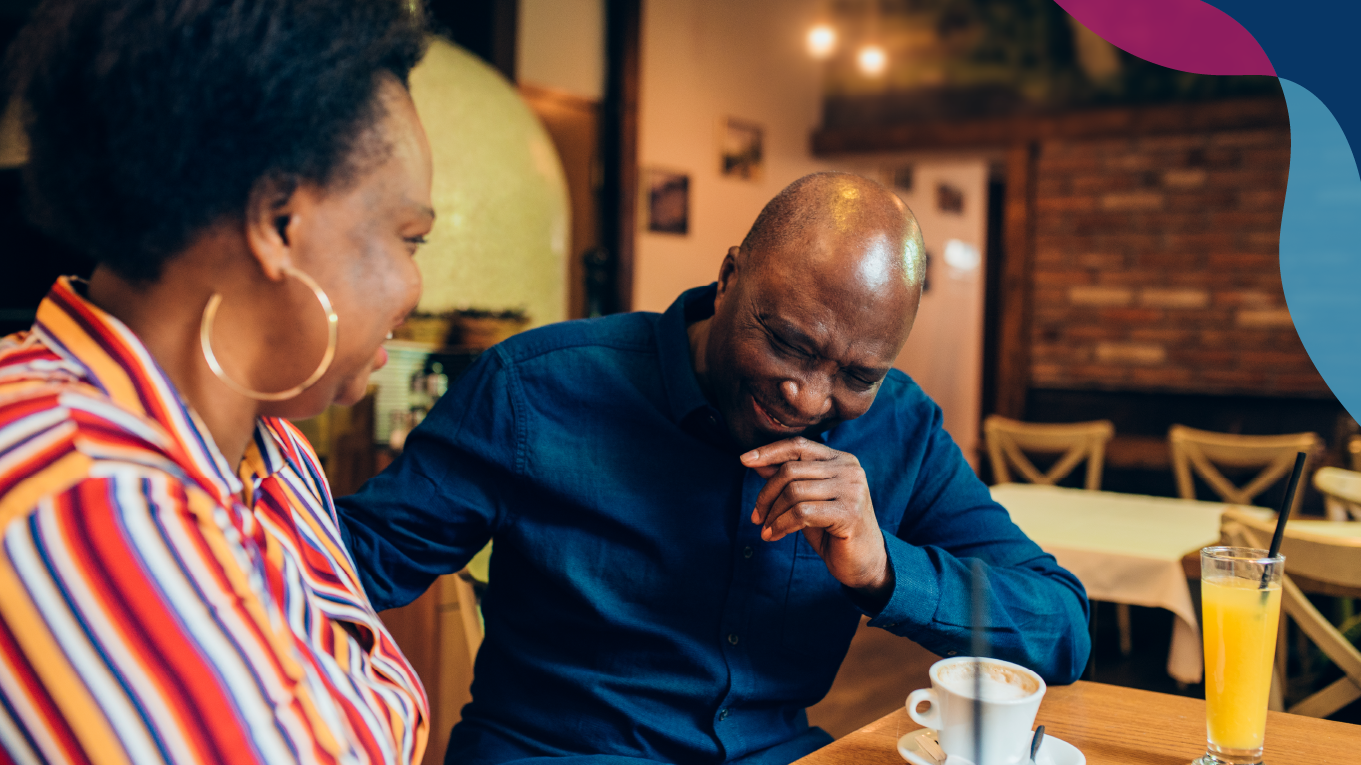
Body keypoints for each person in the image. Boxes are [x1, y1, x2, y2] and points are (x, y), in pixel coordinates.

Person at [338, 172, 1092, 764]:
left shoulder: (902, 428)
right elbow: (341, 572)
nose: (808, 394)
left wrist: (883, 567)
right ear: (730, 274)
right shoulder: (533, 390)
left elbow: (1059, 627)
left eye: (858, 374)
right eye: (789, 342)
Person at [0, 1, 435, 762]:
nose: (414, 286)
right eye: (409, 238)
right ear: (275, 218)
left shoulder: (275, 452)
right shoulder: (80, 496)